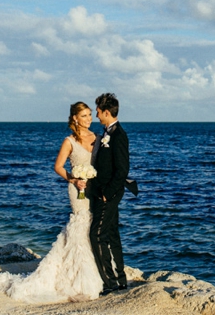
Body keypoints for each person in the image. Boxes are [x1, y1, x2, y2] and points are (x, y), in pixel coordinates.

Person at [0, 102, 103, 303]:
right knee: (80, 227)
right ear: (75, 118)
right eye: (84, 116)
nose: (89, 119)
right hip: (78, 190)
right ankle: (80, 279)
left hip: (95, 190)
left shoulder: (98, 139)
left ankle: (98, 271)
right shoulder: (69, 141)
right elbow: (58, 166)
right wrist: (73, 179)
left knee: (94, 227)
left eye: (90, 115)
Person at [84, 92, 130, 296]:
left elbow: (122, 170)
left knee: (97, 235)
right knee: (111, 234)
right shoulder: (106, 133)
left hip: (108, 195)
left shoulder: (118, 135)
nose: (96, 114)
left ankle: (110, 283)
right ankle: (120, 280)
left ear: (107, 112)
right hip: (100, 192)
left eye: (98, 111)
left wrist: (107, 194)